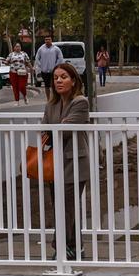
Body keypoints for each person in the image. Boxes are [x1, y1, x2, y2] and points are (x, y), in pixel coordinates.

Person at [33, 61, 92, 260]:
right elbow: (45, 130)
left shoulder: (81, 102)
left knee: (65, 206)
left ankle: (59, 246)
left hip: (74, 163)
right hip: (54, 162)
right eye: (56, 78)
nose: (59, 81)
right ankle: (76, 248)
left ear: (73, 81)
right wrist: (55, 128)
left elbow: (65, 130)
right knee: (63, 206)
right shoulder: (52, 104)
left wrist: (54, 128)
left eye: (63, 77)